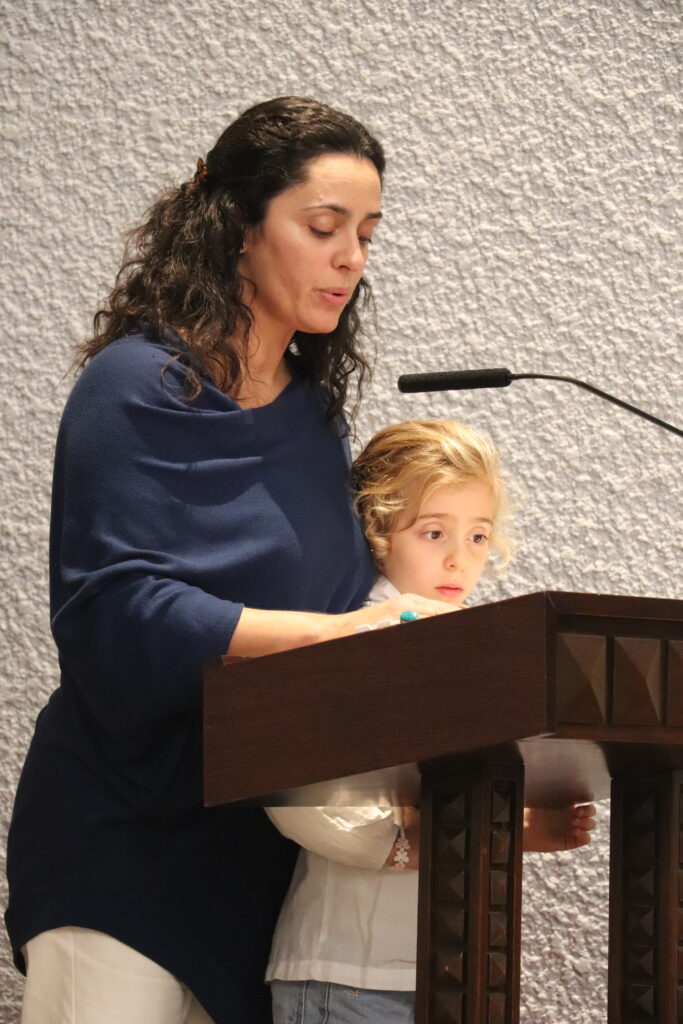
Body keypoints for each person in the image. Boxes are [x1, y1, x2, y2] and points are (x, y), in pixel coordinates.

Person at [4, 99, 458, 1024]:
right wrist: (339, 633)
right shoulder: (133, 386)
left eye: (367, 235)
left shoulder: (314, 421)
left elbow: (341, 620)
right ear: (239, 228)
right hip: (124, 848)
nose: (350, 258)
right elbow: (113, 611)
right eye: (323, 228)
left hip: (258, 872)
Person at [266, 419, 597, 1024]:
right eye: (434, 532)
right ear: (377, 529)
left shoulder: (481, 648)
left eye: (478, 536)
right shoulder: (348, 636)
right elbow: (298, 795)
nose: (457, 558)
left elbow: (461, 784)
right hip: (348, 975)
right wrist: (425, 843)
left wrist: (511, 825)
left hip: (457, 972)